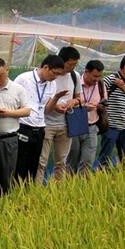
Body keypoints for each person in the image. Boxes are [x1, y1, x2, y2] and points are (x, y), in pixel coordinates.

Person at [0, 57, 30, 196]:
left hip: (9, 139)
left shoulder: (18, 89)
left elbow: (27, 110)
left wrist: (9, 113)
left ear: (7, 70)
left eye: (0, 75)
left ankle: (5, 203)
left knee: (7, 175)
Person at [13, 54, 66, 183]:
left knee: (34, 165)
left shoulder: (51, 84)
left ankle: (27, 194)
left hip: (40, 128)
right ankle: (14, 194)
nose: (55, 77)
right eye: (54, 73)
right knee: (20, 165)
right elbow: (13, 102)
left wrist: (56, 98)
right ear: (46, 67)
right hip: (23, 127)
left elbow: (47, 110)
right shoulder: (23, 79)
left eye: (58, 75)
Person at [36, 46, 82, 183]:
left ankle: (57, 190)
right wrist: (55, 104)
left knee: (61, 161)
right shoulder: (49, 76)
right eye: (70, 64)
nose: (73, 67)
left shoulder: (75, 76)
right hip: (46, 124)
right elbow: (38, 99)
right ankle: (37, 190)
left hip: (66, 124)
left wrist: (73, 101)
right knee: (41, 161)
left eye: (75, 64)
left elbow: (80, 98)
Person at [96, 53, 125, 168]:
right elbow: (97, 96)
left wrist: (123, 87)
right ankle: (102, 176)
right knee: (105, 155)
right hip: (110, 125)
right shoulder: (109, 79)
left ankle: (123, 178)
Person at [67, 60, 107, 175]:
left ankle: (82, 188)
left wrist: (101, 106)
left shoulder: (100, 84)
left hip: (92, 126)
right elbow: (67, 103)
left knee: (88, 160)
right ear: (86, 72)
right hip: (75, 126)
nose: (97, 79)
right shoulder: (75, 83)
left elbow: (104, 100)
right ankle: (68, 187)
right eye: (95, 76)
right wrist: (83, 107)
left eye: (99, 76)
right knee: (72, 161)